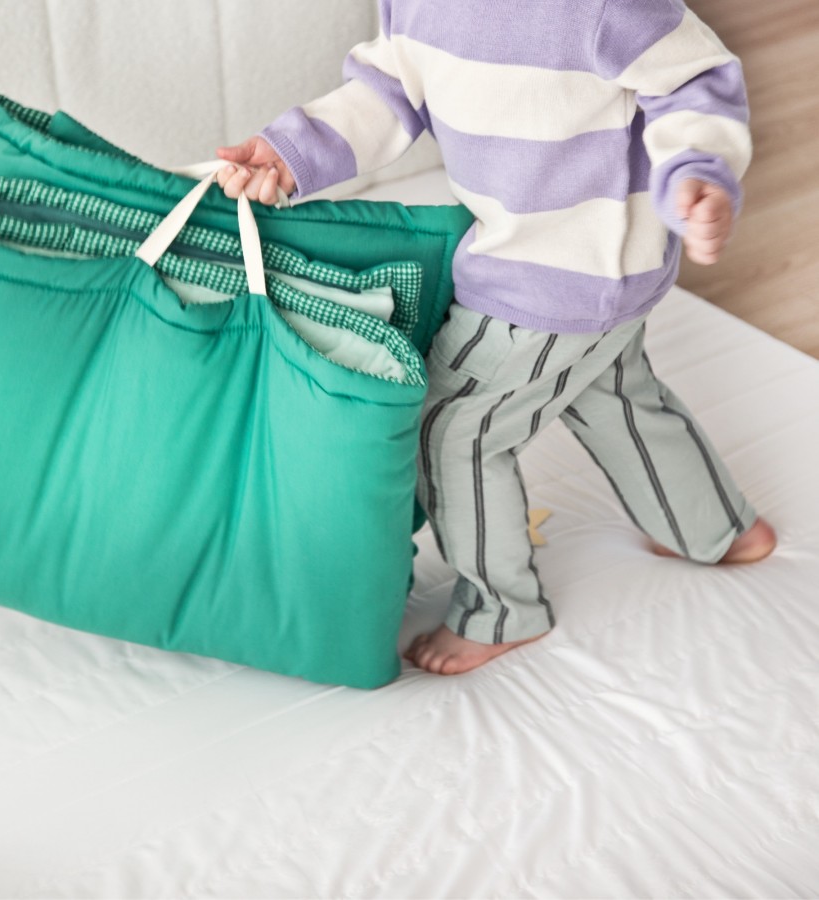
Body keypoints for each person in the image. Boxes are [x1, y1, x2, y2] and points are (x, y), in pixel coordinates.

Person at [215, 0, 777, 675]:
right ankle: (716, 528)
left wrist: (698, 171)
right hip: (591, 274)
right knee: (616, 397)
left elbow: (693, 78)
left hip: (553, 274)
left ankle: (501, 609)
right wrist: (290, 151)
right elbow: (387, 91)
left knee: (452, 430)